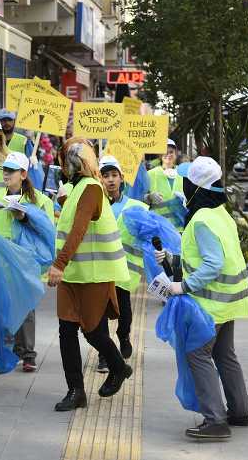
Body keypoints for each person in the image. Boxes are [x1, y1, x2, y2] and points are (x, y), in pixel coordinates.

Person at [158, 156, 248, 440]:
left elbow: (212, 263)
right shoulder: (220, 213)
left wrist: (183, 286)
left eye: (187, 184)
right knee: (225, 355)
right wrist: (174, 259)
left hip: (211, 303)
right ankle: (239, 411)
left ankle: (215, 420)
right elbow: (207, 255)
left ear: (195, 187)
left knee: (197, 354)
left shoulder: (201, 219)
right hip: (230, 300)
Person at [48, 138, 133, 412]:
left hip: (93, 276)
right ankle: (76, 391)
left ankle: (118, 367)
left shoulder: (91, 189)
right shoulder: (75, 190)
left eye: (73, 157)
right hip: (74, 276)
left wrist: (59, 264)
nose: (69, 163)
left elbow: (79, 229)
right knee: (66, 330)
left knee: (93, 332)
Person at [0, 152, 54, 373]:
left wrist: (25, 217)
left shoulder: (40, 200)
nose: (6, 174)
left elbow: (48, 231)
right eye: (4, 169)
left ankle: (27, 352)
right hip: (1, 260)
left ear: (23, 174)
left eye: (11, 170)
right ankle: (10, 348)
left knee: (25, 305)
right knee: (5, 304)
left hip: (26, 260)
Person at [95, 155, 149, 372]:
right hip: (98, 270)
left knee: (124, 312)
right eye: (105, 175)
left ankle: (124, 336)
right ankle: (104, 355)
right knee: (99, 314)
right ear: (99, 179)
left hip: (124, 271)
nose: (110, 180)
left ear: (121, 178)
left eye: (114, 175)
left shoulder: (135, 207)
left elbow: (147, 234)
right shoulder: (94, 204)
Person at [145, 139, 184, 231]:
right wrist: (149, 197)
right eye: (165, 152)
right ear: (160, 155)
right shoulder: (150, 174)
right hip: (158, 227)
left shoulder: (183, 173)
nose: (168, 154)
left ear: (176, 154)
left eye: (171, 152)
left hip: (180, 228)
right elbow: (139, 198)